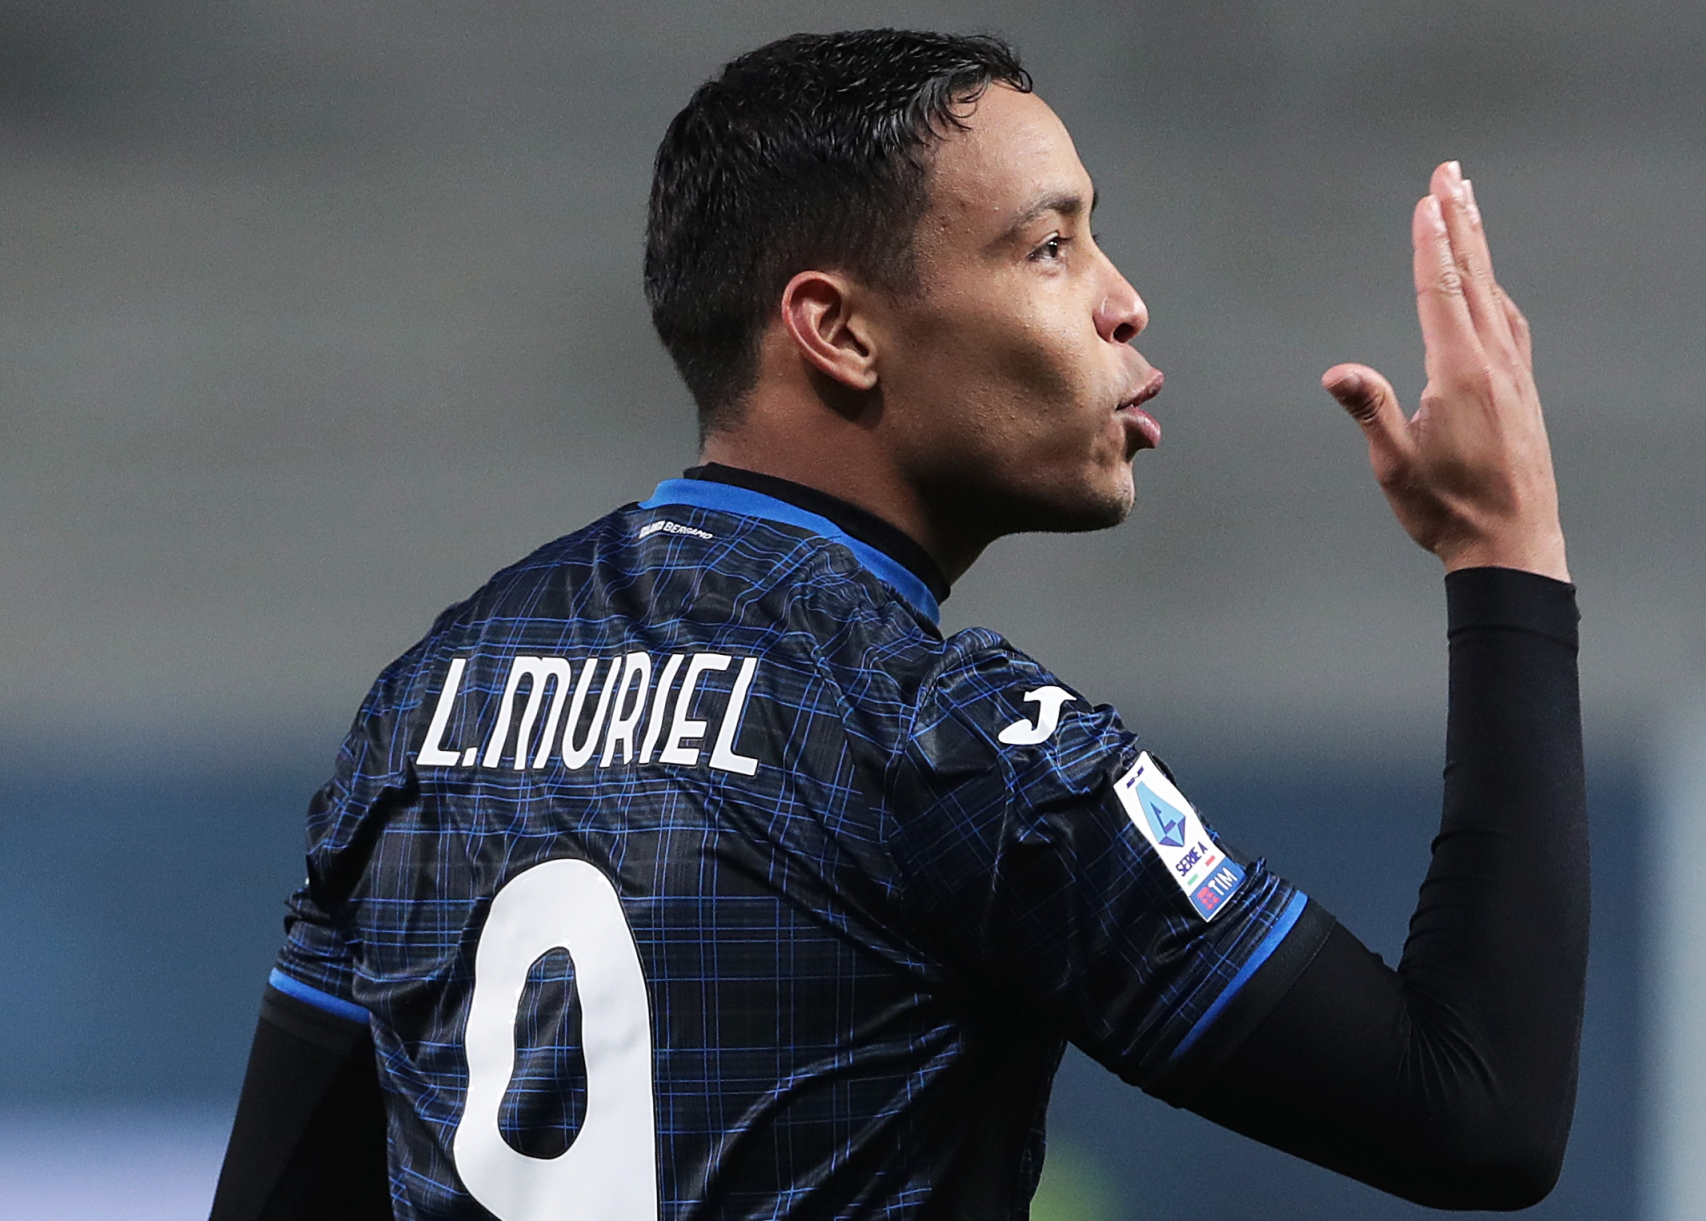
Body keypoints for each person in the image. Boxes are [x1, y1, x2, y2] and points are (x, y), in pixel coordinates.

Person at [210, 28, 1586, 1220]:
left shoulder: (433, 696)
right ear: (840, 331)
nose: (1123, 300)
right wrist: (1503, 553)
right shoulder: (952, 746)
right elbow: (1473, 1109)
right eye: (1050, 246)